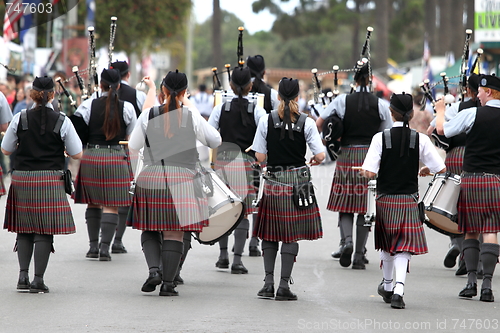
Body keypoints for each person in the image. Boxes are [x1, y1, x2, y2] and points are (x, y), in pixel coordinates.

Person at [127, 70, 221, 296]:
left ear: (163, 91)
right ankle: (168, 284)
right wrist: (189, 106)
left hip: (152, 176)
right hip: (183, 178)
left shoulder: (148, 115)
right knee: (175, 233)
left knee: (150, 227)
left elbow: (134, 145)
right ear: (184, 93)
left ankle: (153, 271)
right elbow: (215, 140)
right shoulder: (191, 116)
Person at [361, 92, 446, 309]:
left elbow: (370, 173)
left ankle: (388, 286)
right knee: (403, 246)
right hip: (409, 199)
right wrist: (425, 168)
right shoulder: (421, 139)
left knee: (388, 244)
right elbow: (441, 168)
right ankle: (398, 289)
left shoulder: (380, 138)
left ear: (391, 113)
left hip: (386, 199)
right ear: (411, 114)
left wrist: (364, 172)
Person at [1, 76, 83, 293]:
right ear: (53, 95)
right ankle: (38, 280)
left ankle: (22, 277)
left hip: (23, 178)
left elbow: (6, 149)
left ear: (32, 95)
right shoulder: (63, 120)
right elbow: (77, 153)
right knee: (44, 230)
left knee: (24, 228)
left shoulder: (20, 118)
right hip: (50, 180)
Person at [252, 77, 325, 300]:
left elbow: (260, 155)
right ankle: (283, 286)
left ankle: (268, 284)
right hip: (298, 181)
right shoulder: (307, 122)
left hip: (274, 180)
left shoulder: (266, 120)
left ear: (278, 97)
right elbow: (320, 155)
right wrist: (315, 160)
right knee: (290, 234)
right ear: (296, 97)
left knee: (270, 233)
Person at [316, 63, 393, 269]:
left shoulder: (342, 100)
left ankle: (347, 241)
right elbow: (387, 135)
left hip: (347, 155)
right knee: (364, 207)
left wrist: (328, 141)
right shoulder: (380, 104)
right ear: (370, 80)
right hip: (370, 156)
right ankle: (359, 255)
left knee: (345, 204)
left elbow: (319, 123)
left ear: (355, 80)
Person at [436, 74, 500, 303]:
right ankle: (488, 287)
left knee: (471, 230)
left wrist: (441, 110)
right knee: (490, 230)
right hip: (495, 181)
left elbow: (443, 131)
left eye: (481, 92)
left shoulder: (472, 113)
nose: (478, 96)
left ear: (489, 92)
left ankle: (471, 282)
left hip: (472, 179)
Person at [72, 68, 137, 261]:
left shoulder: (87, 105)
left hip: (91, 155)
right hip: (116, 157)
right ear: (118, 86)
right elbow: (129, 137)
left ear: (100, 85)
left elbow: (76, 131)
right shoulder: (127, 108)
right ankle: (105, 249)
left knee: (93, 203)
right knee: (112, 205)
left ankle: (92, 247)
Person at [208, 66, 267, 273]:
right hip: (247, 165)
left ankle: (222, 256)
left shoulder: (220, 108)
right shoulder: (258, 111)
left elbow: (210, 136)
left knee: (224, 210)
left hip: (223, 161)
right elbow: (264, 138)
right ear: (250, 86)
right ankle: (237, 261)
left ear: (231, 86)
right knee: (243, 213)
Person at [427, 73, 482, 276]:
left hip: (456, 156)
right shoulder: (491, 108)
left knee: (453, 204)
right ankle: (474, 256)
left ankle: (457, 244)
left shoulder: (457, 107)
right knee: (477, 206)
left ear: (467, 90)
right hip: (481, 158)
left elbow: (432, 129)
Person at [109, 60, 148, 254]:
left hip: (98, 149)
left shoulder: (95, 97)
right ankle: (116, 239)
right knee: (124, 195)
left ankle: (99, 240)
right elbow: (146, 117)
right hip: (128, 150)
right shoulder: (137, 95)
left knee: (101, 197)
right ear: (128, 74)